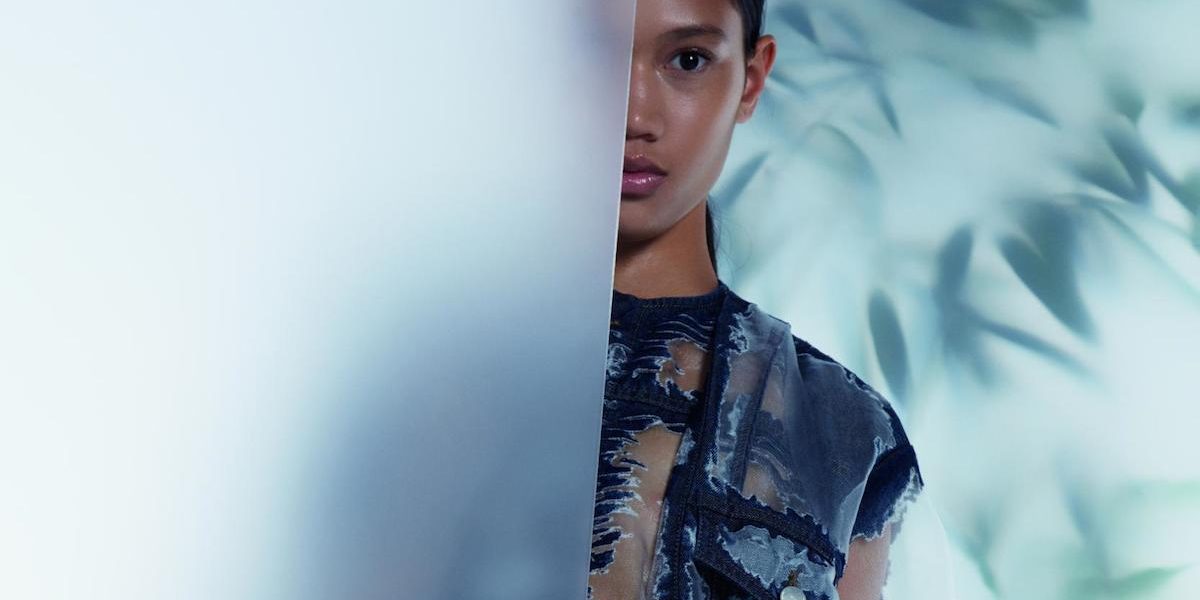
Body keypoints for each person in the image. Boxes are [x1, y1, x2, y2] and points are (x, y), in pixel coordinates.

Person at [588, 1, 926, 599]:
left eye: (688, 60)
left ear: (751, 79)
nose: (635, 114)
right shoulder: (438, 369)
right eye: (594, 53)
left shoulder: (843, 432)